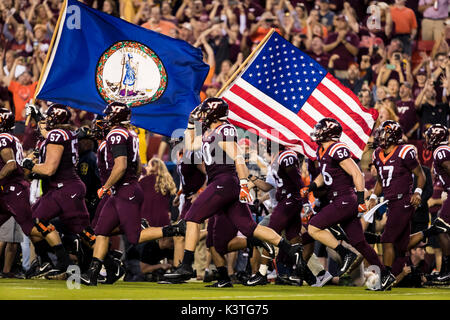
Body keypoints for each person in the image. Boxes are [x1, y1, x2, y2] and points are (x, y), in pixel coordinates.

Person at [164, 97, 306, 282]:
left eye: (207, 112)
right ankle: (290, 248)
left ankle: (186, 266)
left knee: (192, 217)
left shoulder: (224, 130)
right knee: (250, 227)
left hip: (224, 182)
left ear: (214, 113)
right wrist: (191, 123)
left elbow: (238, 157)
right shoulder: (211, 132)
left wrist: (245, 184)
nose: (204, 115)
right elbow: (191, 146)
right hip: (224, 183)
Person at [81, 102, 184, 286]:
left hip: (124, 189)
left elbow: (120, 166)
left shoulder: (117, 134)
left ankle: (173, 229)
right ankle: (93, 274)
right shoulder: (129, 134)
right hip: (123, 189)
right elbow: (135, 166)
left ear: (115, 117)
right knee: (101, 231)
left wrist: (106, 187)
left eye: (108, 116)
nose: (105, 119)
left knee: (134, 236)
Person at [301, 117, 395, 291]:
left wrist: (360, 200)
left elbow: (357, 174)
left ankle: (345, 253)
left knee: (313, 227)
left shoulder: (337, 148)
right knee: (360, 242)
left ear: (328, 132)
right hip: (339, 199)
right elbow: (324, 174)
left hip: (344, 199)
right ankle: (386, 275)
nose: (317, 132)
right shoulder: (322, 150)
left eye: (320, 129)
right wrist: (311, 187)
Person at [22, 104, 91, 279]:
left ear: (55, 119)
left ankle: (107, 262)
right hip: (62, 188)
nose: (47, 120)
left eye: (49, 117)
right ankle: (52, 261)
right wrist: (37, 117)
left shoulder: (57, 134)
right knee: (32, 221)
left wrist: (30, 165)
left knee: (84, 233)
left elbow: (49, 169)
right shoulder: (65, 133)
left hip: (65, 188)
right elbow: (47, 135)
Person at [369, 120, 426, 278]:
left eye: (384, 133)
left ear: (393, 135)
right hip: (391, 202)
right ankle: (406, 272)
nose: (381, 136)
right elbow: (381, 180)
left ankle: (386, 276)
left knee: (387, 239)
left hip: (403, 201)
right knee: (401, 244)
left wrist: (418, 192)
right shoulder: (377, 154)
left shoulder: (404, 151)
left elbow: (420, 175)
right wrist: (374, 196)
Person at [244, 145, 305, 286]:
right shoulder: (277, 159)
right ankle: (296, 273)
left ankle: (262, 273)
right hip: (287, 202)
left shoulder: (286, 156)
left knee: (268, 235)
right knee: (293, 237)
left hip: (288, 201)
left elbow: (297, 181)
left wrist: (306, 200)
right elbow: (268, 186)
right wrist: (251, 177)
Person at [423, 124, 450, 282]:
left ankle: (447, 271)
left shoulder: (441, 151)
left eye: (429, 136)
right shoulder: (442, 150)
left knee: (440, 227)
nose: (426, 139)